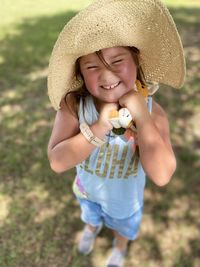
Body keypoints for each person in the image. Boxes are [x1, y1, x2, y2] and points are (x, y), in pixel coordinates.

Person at [47, 0, 185, 266]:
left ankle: (119, 249)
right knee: (90, 215)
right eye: (92, 67)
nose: (107, 75)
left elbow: (162, 174)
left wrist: (141, 115)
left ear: (136, 61)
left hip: (126, 201)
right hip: (87, 192)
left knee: (122, 228)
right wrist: (100, 125)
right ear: (81, 74)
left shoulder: (154, 113)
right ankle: (91, 229)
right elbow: (57, 162)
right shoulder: (74, 106)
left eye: (117, 60)